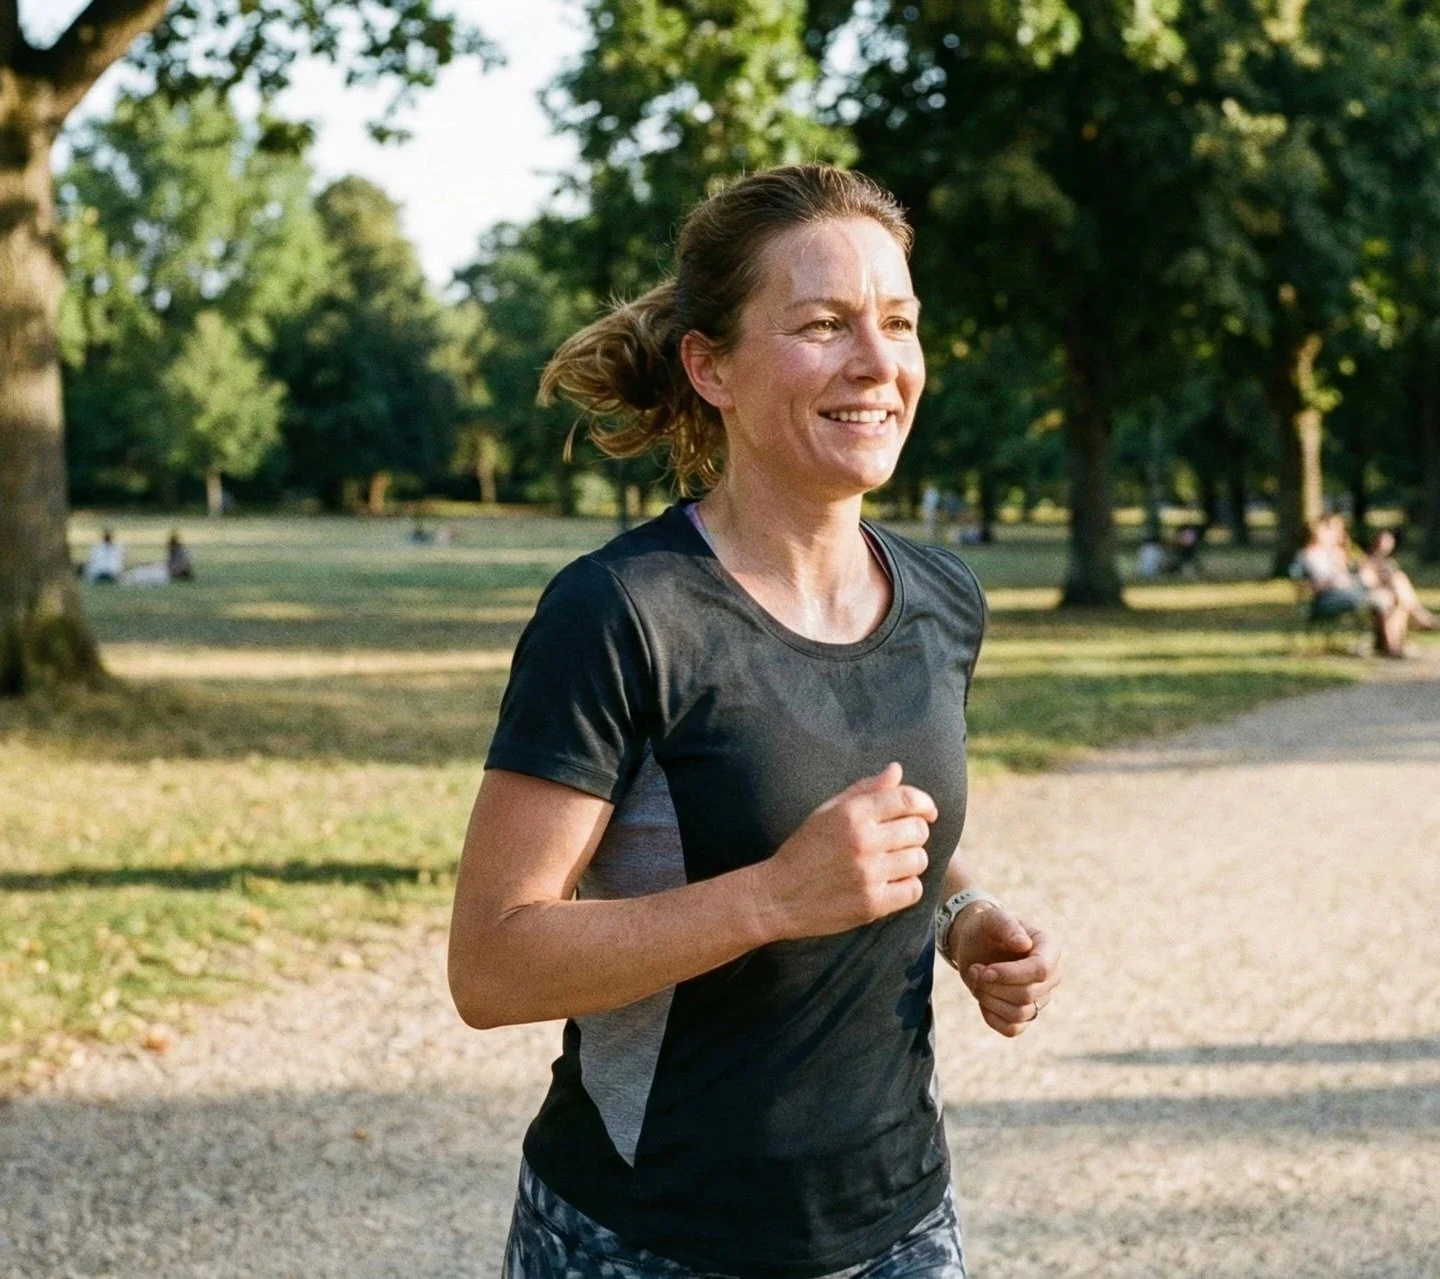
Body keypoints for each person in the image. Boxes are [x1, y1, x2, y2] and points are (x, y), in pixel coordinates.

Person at [451, 165, 1061, 1279]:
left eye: (896, 323)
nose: (876, 364)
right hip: (649, 1239)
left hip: (900, 1223)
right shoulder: (620, 612)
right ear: (709, 365)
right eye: (823, 325)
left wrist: (961, 911)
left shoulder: (940, 600)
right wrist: (775, 897)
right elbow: (490, 963)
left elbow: (865, 809)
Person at [1298, 514, 1421, 656]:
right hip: (1330, 599)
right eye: (1329, 530)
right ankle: (1392, 643)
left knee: (1394, 589)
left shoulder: (1335, 552)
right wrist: (1346, 579)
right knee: (1385, 596)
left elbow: (1355, 568)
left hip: (1349, 592)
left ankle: (1393, 642)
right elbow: (1318, 585)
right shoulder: (1311, 555)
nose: (1335, 534)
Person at [1362, 529, 1440, 633]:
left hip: (1393, 592)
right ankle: (1421, 617)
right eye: (1384, 541)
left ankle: (1418, 618)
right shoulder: (1367, 561)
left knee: (1400, 586)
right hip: (1377, 591)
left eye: (1389, 541)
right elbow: (1368, 580)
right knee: (1399, 582)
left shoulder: (1389, 562)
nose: (1386, 545)